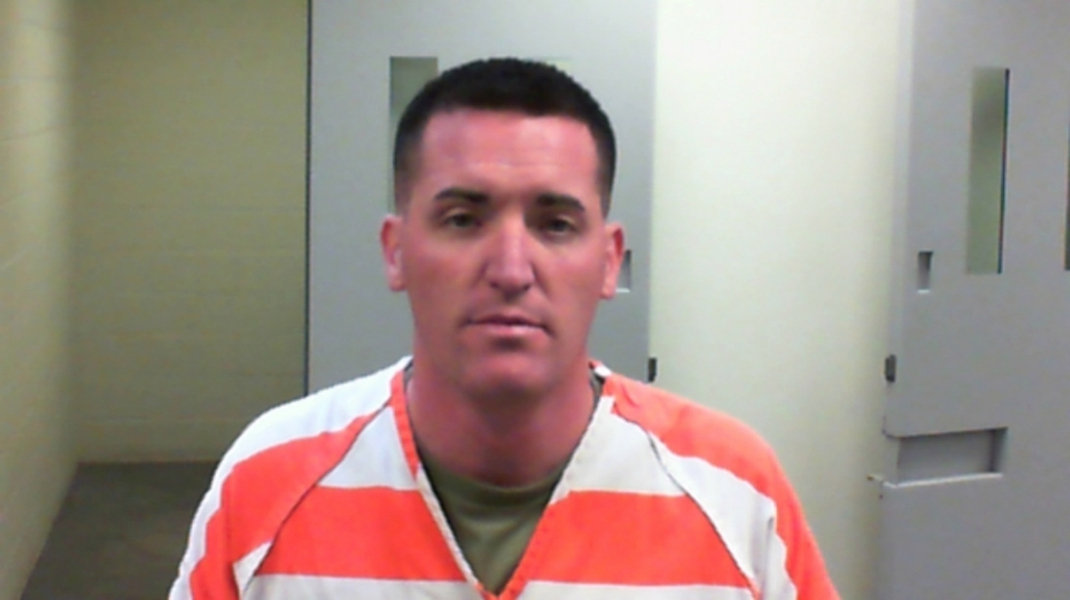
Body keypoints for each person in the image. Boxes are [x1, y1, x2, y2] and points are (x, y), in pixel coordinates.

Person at [170, 57, 839, 600]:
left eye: (556, 225)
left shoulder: (734, 490)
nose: (512, 269)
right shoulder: (268, 480)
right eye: (463, 219)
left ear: (609, 261)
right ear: (396, 251)